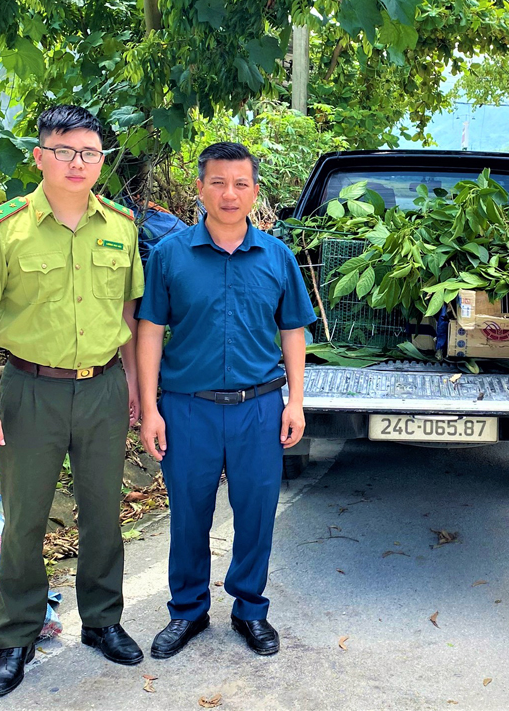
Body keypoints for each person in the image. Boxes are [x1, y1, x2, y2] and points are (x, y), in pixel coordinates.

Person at [0, 105, 145, 698]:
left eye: (90, 152)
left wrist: (138, 389)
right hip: (29, 389)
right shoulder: (2, 229)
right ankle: (15, 634)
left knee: (102, 513)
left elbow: (129, 314)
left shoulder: (121, 224)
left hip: (103, 388)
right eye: (65, 151)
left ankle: (103, 621)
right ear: (40, 155)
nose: (79, 162)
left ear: (101, 161)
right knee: (24, 520)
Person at [137, 141, 315, 659]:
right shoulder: (170, 255)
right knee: (189, 512)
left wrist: (295, 401)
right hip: (187, 406)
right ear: (200, 188)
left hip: (259, 407)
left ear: (255, 191)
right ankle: (187, 611)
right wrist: (150, 409)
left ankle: (249, 610)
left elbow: (293, 333)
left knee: (256, 511)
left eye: (240, 184)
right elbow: (149, 330)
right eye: (218, 182)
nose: (229, 194)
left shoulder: (277, 256)